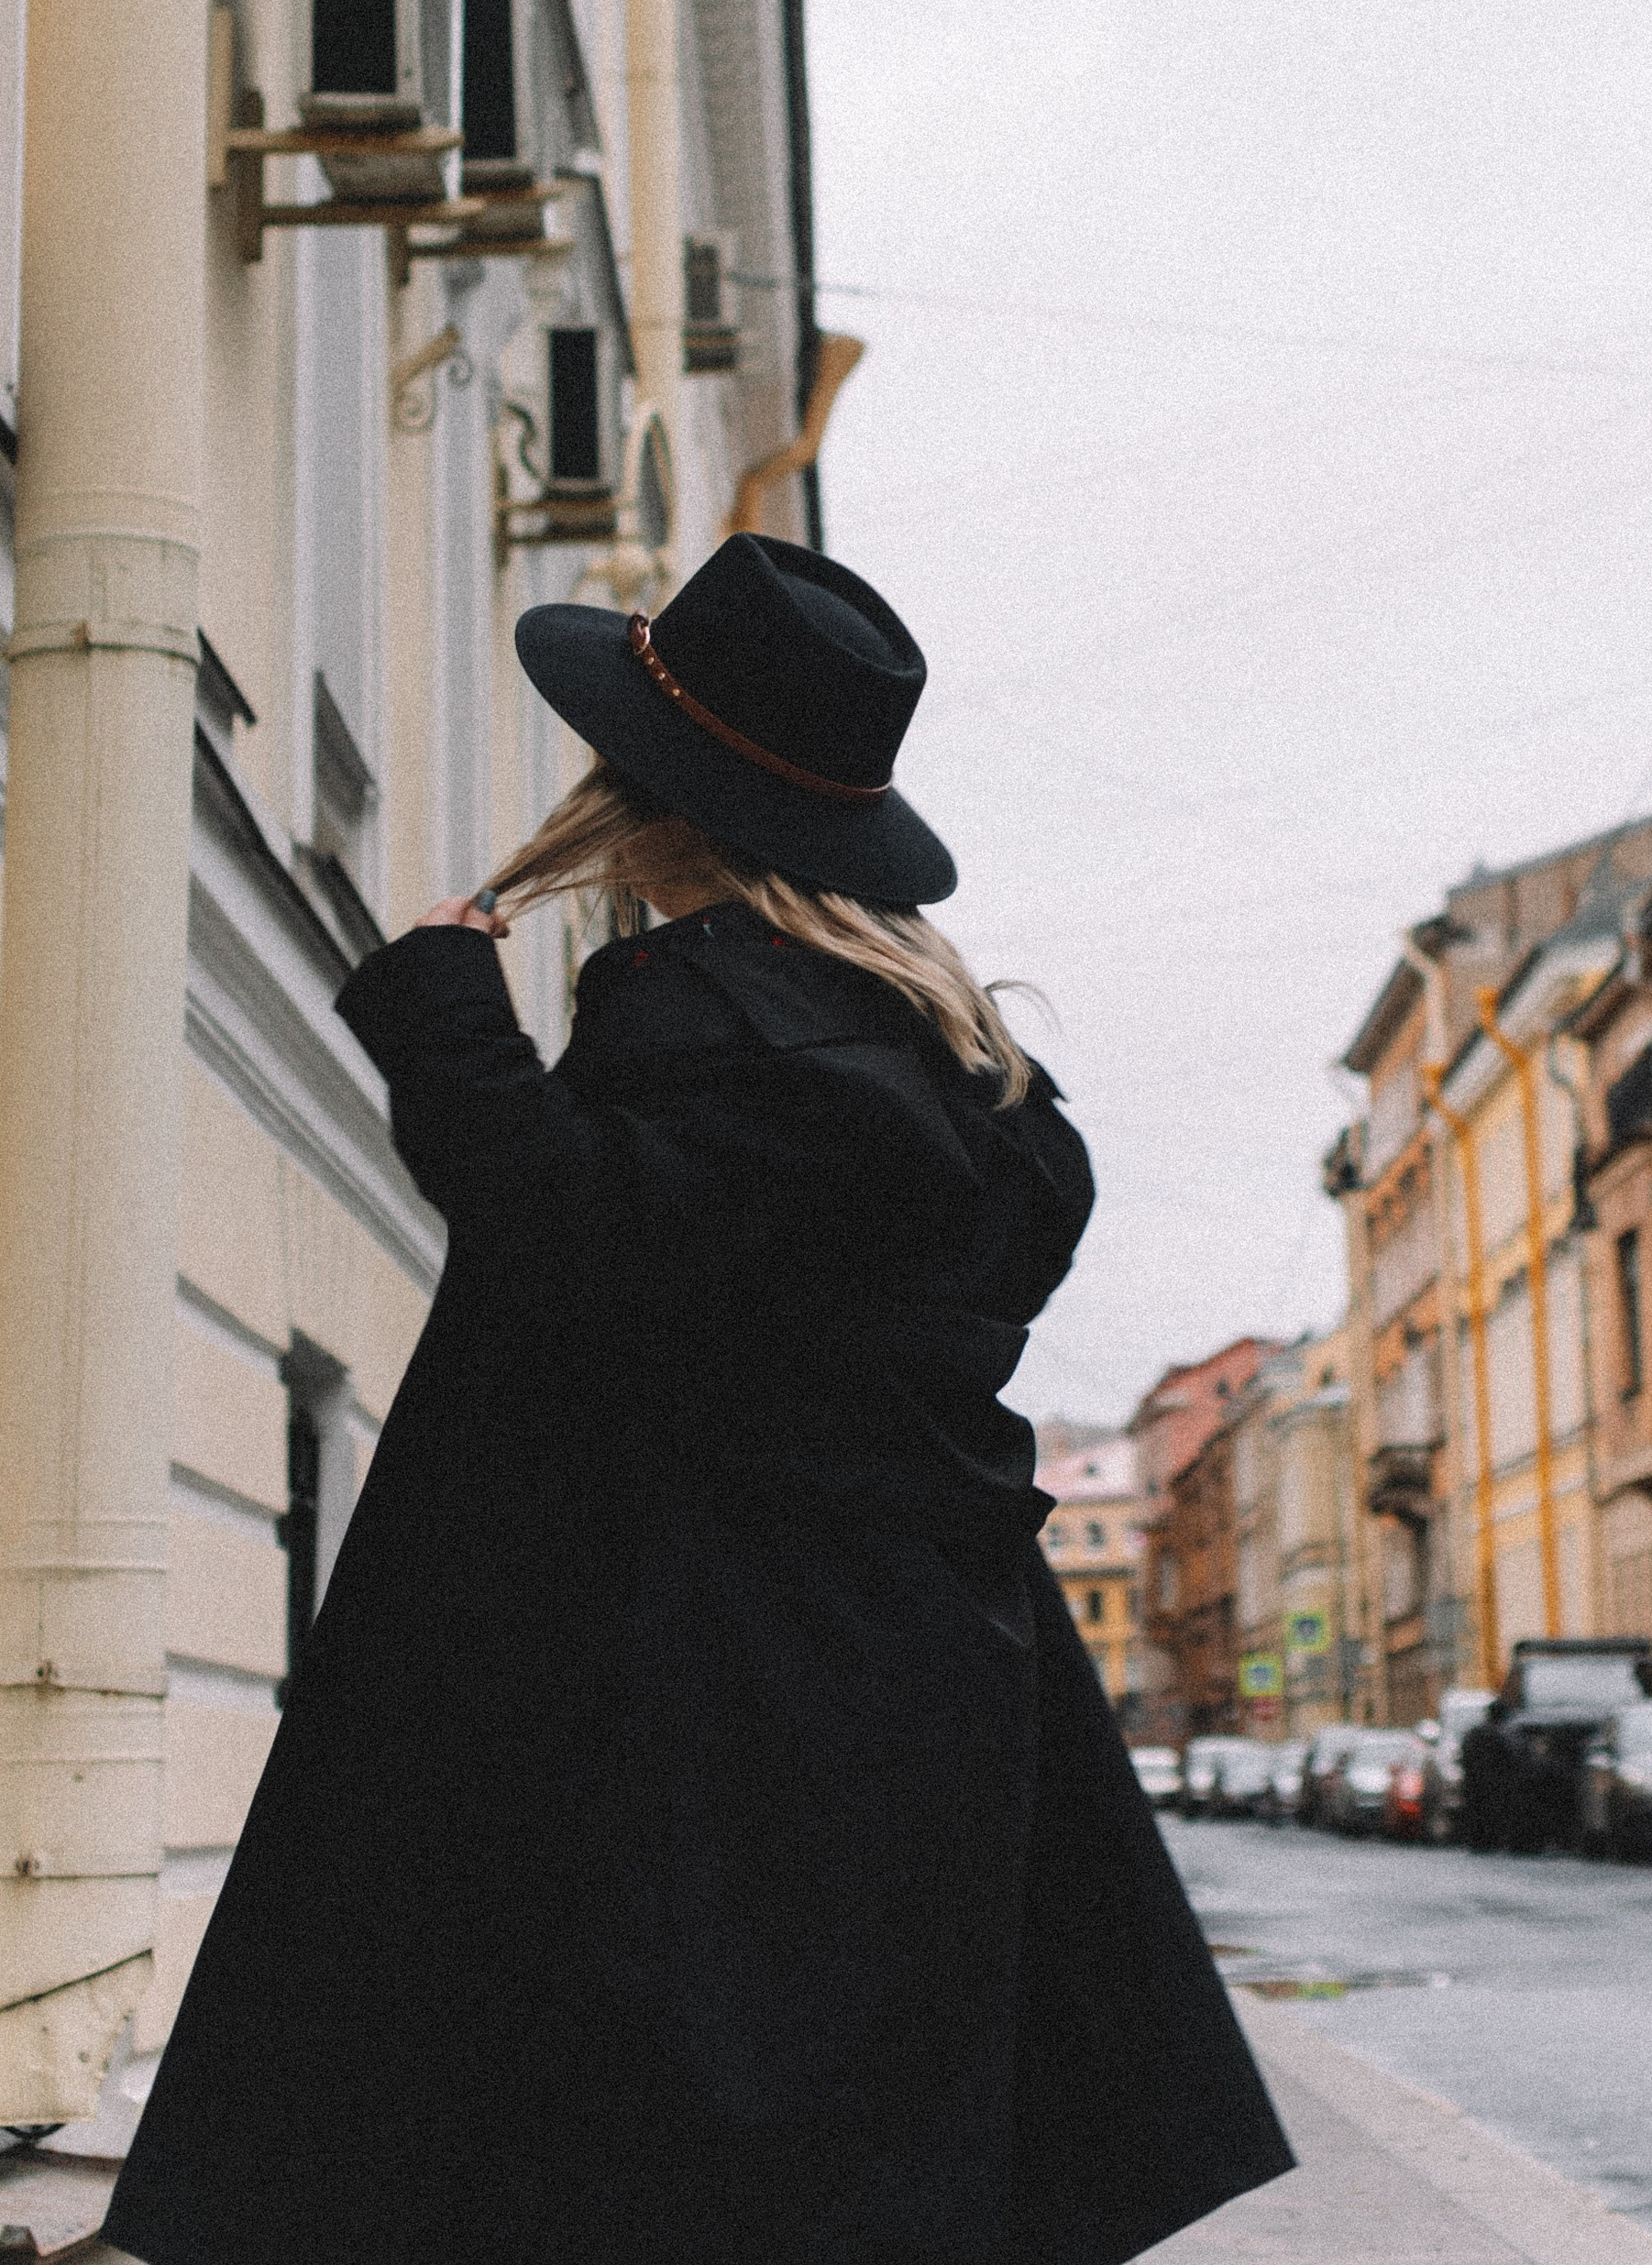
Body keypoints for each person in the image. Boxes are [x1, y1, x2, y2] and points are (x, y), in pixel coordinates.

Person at [106, 533, 1293, 2265]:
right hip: (935, 1684)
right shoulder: (970, 1074)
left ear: (657, 798)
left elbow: (585, 1263)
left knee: (656, 2152)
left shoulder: (710, 1015)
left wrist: (446, 1024)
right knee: (870, 2153)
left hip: (705, 1692)